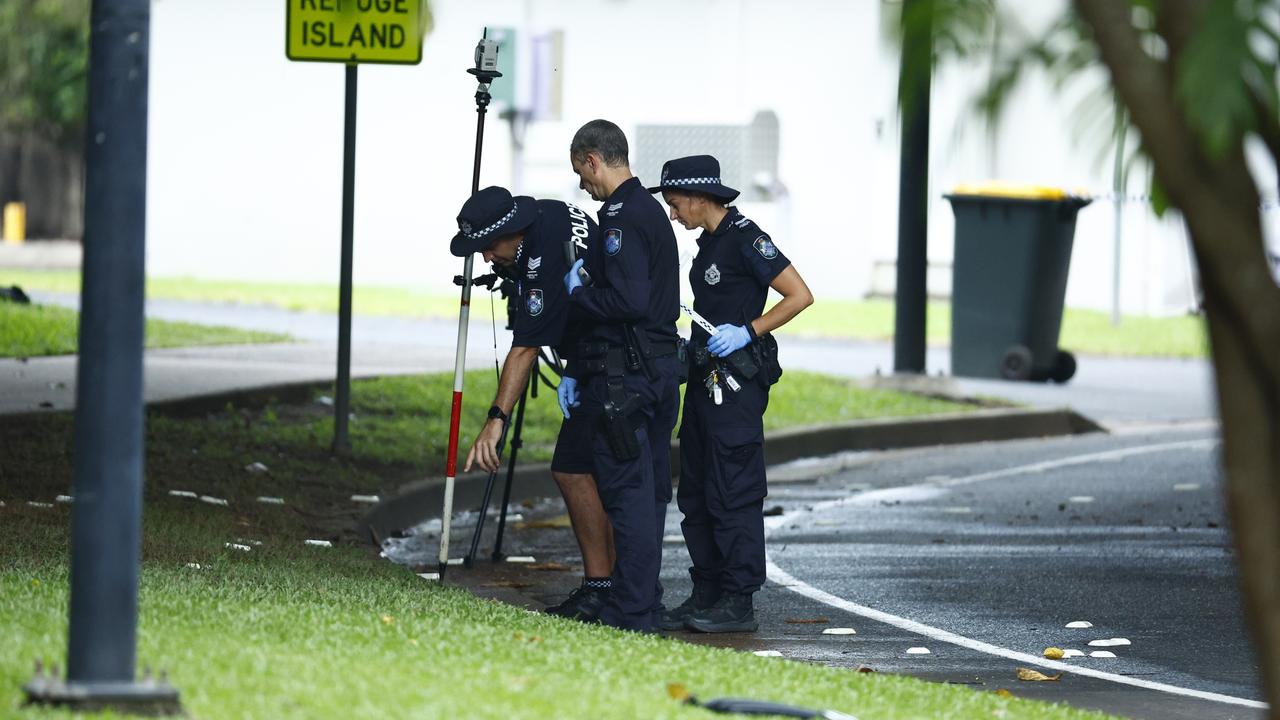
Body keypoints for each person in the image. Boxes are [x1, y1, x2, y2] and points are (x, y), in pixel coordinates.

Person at [650, 155, 813, 633]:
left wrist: (749, 330)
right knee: (697, 489)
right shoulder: (709, 244)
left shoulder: (746, 239)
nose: (675, 215)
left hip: (737, 388)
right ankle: (708, 591)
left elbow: (799, 295)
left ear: (701, 198)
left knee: (733, 491)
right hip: (704, 382)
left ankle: (738, 600)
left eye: (678, 205)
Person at [450, 185, 615, 621]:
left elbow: (524, 348)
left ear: (514, 231)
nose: (486, 258)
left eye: (488, 246)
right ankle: (618, 585)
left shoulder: (542, 261)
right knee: (594, 472)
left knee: (578, 469)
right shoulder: (549, 214)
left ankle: (607, 589)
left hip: (613, 364)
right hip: (597, 358)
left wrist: (496, 420)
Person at [559, 119, 682, 632]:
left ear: (594, 160)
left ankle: (631, 611)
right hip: (656, 369)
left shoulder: (621, 217)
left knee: (628, 494)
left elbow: (628, 301)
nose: (583, 186)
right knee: (648, 493)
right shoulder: (647, 211)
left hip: (627, 377)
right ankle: (642, 601)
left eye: (581, 174)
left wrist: (577, 292)